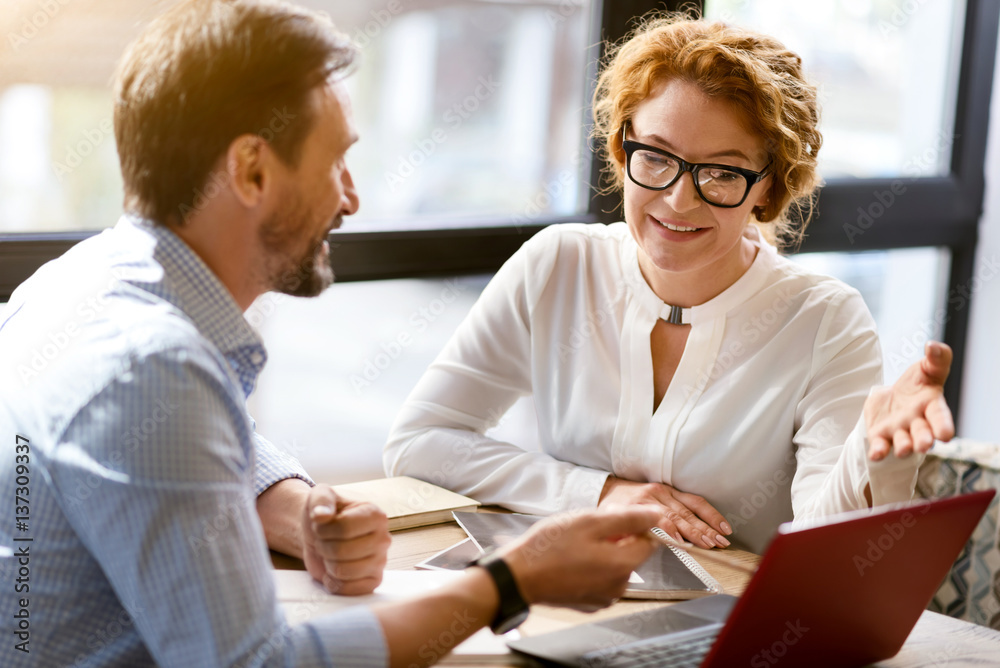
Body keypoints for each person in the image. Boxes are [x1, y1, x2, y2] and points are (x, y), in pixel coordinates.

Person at [0, 2, 661, 666]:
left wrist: (291, 507)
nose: (351, 197)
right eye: (337, 161)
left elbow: (173, 439)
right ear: (252, 169)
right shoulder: (155, 367)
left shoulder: (76, 286)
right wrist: (509, 582)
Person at [384, 13, 956, 555]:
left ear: (766, 188)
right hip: (568, 597)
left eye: (722, 172)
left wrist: (875, 456)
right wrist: (602, 494)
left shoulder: (826, 321)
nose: (679, 200)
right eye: (657, 157)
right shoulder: (558, 264)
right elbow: (419, 442)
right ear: (623, 144)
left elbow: (823, 556)